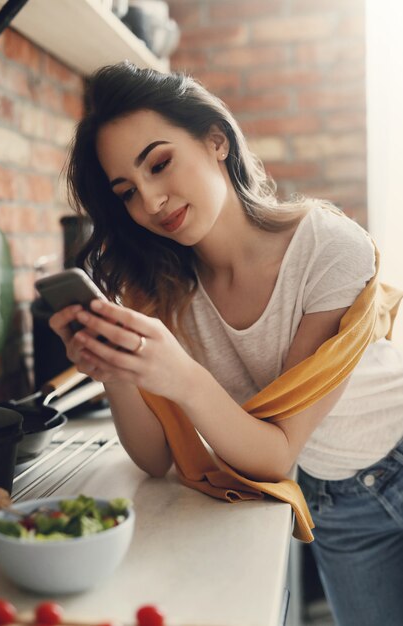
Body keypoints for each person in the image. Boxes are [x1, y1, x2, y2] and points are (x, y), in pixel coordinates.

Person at [49, 63, 403, 626]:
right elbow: (154, 457)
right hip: (331, 502)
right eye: (128, 193)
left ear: (216, 140)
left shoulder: (327, 246)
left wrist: (179, 374)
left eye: (159, 164)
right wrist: (115, 369)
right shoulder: (159, 292)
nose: (152, 201)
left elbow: (276, 450)